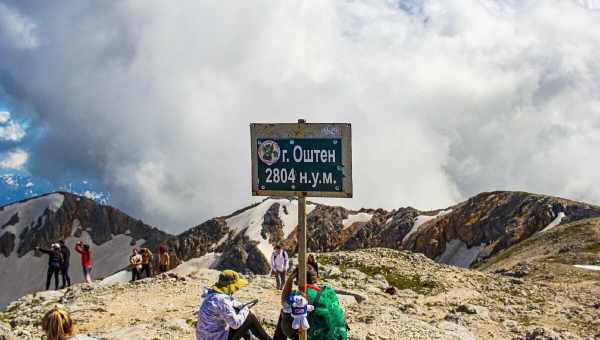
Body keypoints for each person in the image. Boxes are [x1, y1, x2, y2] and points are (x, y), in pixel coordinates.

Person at [274, 266, 348, 340]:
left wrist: (289, 280)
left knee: (286, 311)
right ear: (316, 278)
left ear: (297, 281)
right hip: (340, 336)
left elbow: (284, 302)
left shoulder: (300, 295)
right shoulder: (329, 292)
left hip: (318, 337)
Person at [196, 270, 272, 340]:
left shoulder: (211, 294)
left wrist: (240, 307)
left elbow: (231, 303)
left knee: (242, 318)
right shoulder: (222, 300)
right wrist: (245, 309)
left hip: (204, 337)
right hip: (216, 338)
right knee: (249, 317)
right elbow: (235, 324)